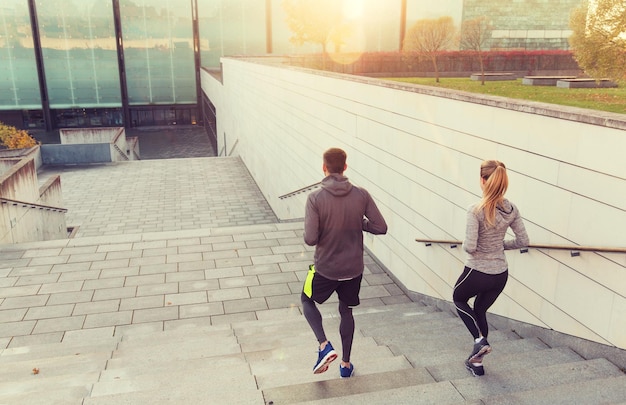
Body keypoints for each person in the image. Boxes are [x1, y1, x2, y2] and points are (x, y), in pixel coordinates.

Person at [301, 147, 388, 378]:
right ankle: (346, 365)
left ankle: (323, 346)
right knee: (346, 310)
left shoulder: (315, 198)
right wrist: (358, 223)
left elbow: (310, 239)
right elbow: (381, 227)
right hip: (353, 269)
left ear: (324, 167)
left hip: (326, 269)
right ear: (345, 167)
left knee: (306, 299)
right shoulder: (361, 194)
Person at [453, 159, 529, 377]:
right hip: (500, 274)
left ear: (483, 180)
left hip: (478, 271)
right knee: (479, 311)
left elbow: (470, 247)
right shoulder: (511, 209)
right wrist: (501, 245)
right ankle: (477, 362)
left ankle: (479, 341)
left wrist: (476, 244)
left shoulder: (475, 210)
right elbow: (524, 240)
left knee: (458, 298)